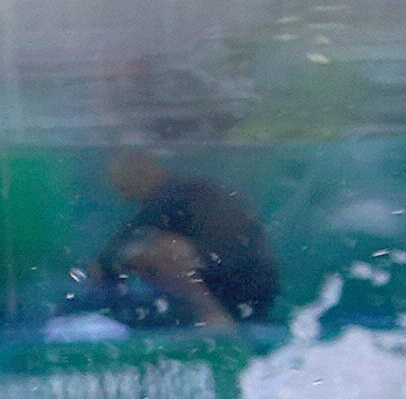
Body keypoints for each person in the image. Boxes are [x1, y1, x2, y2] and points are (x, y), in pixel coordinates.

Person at [72, 141, 284, 333]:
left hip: (236, 285)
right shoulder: (185, 192)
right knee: (154, 251)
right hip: (255, 285)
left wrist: (104, 275)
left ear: (143, 169)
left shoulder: (172, 197)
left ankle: (212, 316)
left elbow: (112, 255)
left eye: (121, 185)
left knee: (161, 251)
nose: (120, 194)